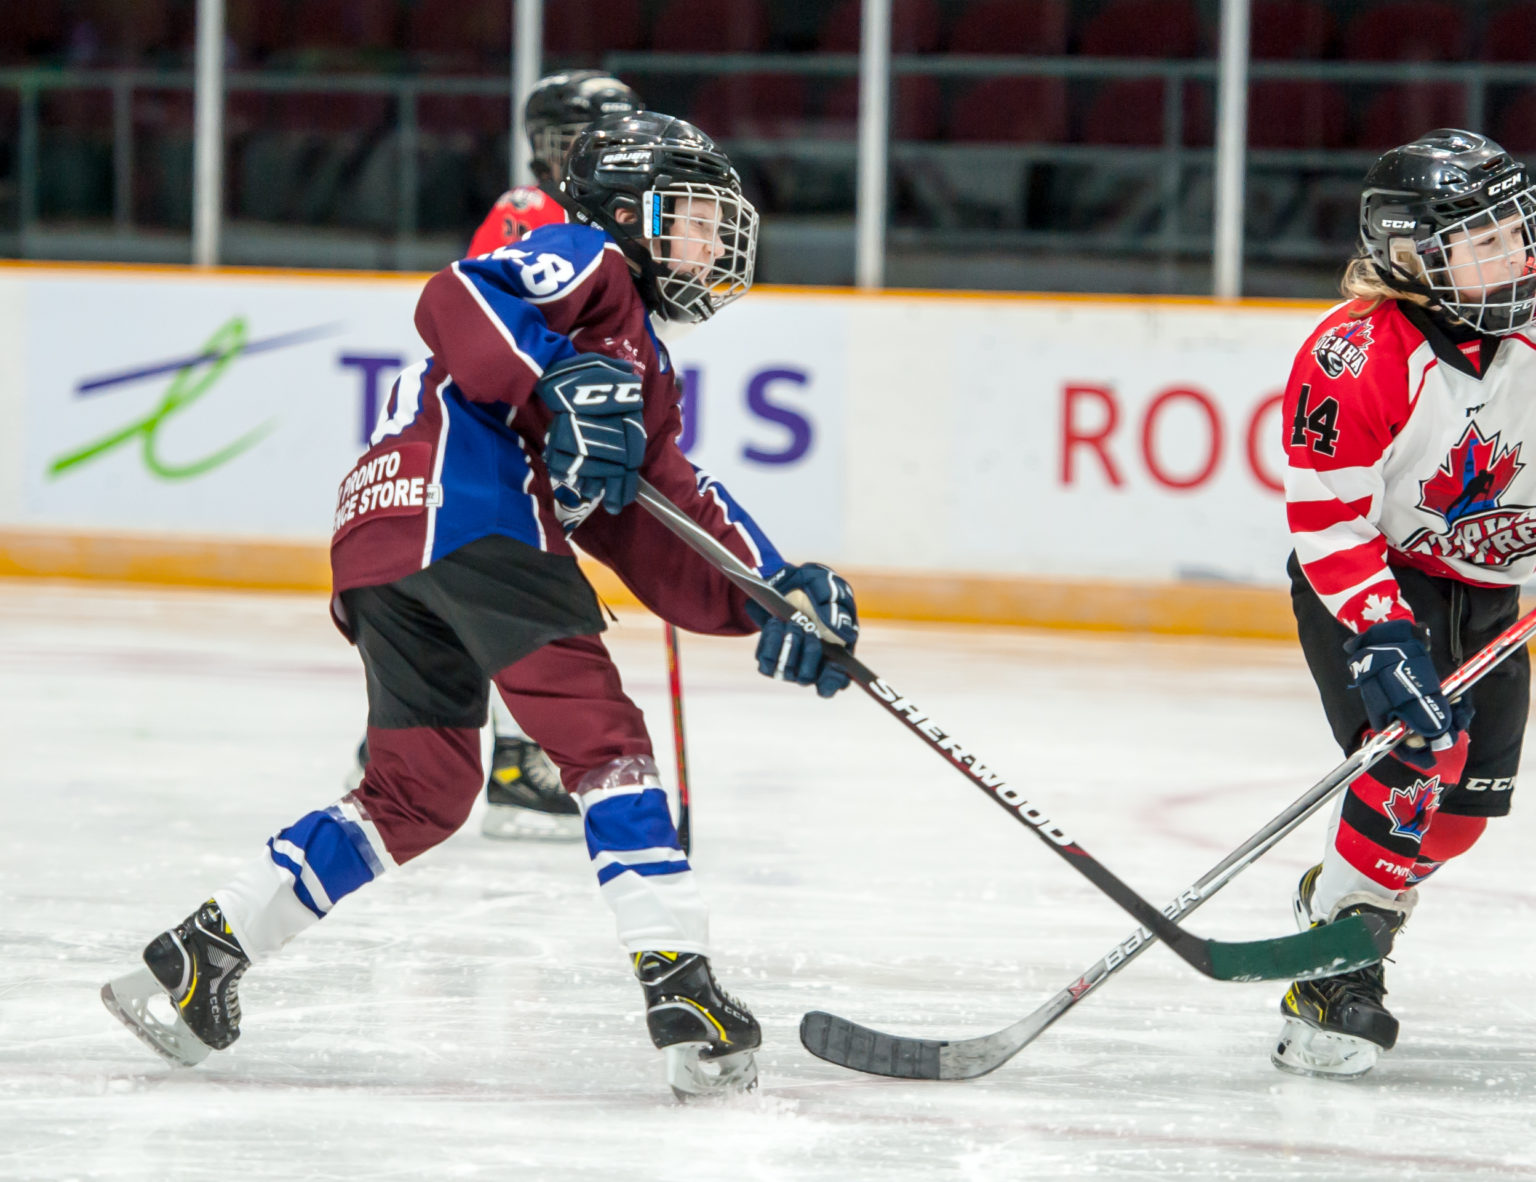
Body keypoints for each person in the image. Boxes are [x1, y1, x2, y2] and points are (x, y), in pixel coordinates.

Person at [102, 112, 860, 1099]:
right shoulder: (589, 261)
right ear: (631, 214)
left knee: (418, 791)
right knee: (604, 743)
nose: (713, 244)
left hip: (384, 536)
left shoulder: (645, 364)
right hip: (468, 511)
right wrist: (556, 372)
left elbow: (660, 507)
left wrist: (772, 592)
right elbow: (458, 292)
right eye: (696, 218)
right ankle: (682, 984)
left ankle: (207, 951)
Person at [1274, 128, 1536, 1078]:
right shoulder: (1354, 359)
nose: (1519, 254)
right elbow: (1329, 523)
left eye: (1519, 229)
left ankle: (1343, 890)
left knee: (1458, 816)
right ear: (1414, 255)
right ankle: (1336, 967)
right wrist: (1384, 638)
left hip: (1491, 590)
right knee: (1420, 758)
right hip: (1381, 584)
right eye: (1488, 240)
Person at [348, 69, 647, 843]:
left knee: (508, 590)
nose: (586, 150)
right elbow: (493, 319)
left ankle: (421, 740)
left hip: (541, 430)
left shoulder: (614, 220)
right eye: (571, 135)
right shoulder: (530, 209)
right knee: (512, 587)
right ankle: (506, 760)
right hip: (503, 436)